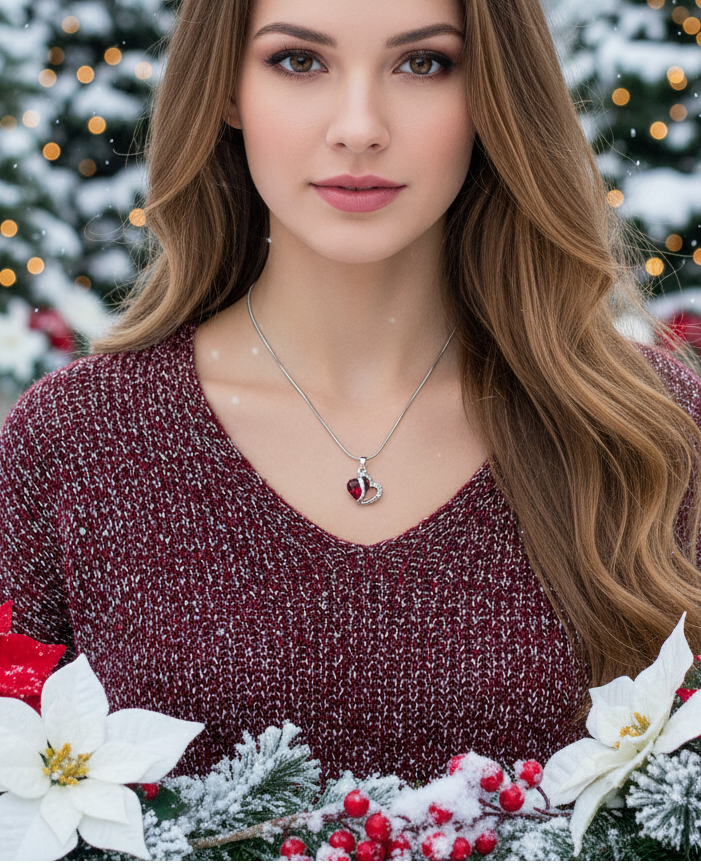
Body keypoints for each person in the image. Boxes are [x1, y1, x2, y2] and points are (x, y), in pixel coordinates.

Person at [2, 0, 701, 784]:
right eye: (299, 61)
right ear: (227, 90)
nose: (359, 126)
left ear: (492, 94)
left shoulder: (650, 433)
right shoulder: (75, 442)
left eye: (423, 63)